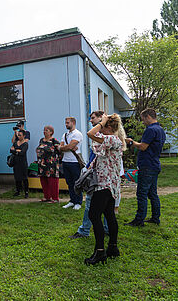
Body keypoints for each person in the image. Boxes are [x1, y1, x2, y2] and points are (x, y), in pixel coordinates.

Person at [84, 113, 126, 265]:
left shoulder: (112, 139)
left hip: (104, 185)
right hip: (110, 185)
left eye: (103, 126)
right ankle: (113, 248)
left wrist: (102, 122)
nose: (100, 128)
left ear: (109, 127)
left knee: (94, 215)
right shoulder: (112, 141)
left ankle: (100, 252)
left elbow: (90, 134)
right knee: (109, 215)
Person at [70, 111, 109, 239]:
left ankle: (85, 231)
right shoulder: (102, 135)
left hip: (102, 175)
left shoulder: (105, 136)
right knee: (98, 204)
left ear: (101, 119)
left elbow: (91, 135)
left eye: (93, 118)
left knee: (92, 204)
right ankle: (102, 229)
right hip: (97, 172)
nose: (91, 121)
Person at [125, 108, 166, 227]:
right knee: (153, 193)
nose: (143, 122)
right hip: (154, 165)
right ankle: (155, 218)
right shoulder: (160, 129)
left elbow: (143, 147)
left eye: (143, 119)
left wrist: (131, 142)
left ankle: (139, 220)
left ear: (148, 117)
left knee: (142, 194)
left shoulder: (151, 130)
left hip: (147, 166)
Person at [59, 117, 83, 210]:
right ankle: (72, 200)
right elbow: (60, 147)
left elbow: (70, 146)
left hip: (75, 162)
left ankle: (78, 202)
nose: (66, 124)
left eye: (67, 123)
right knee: (69, 183)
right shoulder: (65, 134)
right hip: (65, 161)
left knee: (76, 183)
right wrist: (64, 147)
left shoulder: (77, 134)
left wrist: (65, 147)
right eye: (65, 123)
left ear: (73, 123)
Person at [36, 125, 60, 203]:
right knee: (44, 180)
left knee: (52, 181)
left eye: (46, 130)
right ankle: (47, 197)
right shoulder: (41, 140)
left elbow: (59, 150)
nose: (44, 131)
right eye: (44, 130)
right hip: (42, 164)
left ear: (51, 132)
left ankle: (55, 198)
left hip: (51, 164)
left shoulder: (54, 140)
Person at [10, 129, 29, 198]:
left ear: (24, 136)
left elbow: (22, 153)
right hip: (16, 162)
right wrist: (16, 151)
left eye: (20, 135)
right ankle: (18, 191)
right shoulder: (15, 143)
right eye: (18, 135)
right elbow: (11, 150)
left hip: (23, 163)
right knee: (17, 178)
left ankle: (26, 192)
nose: (18, 136)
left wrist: (15, 151)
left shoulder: (25, 144)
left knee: (24, 178)